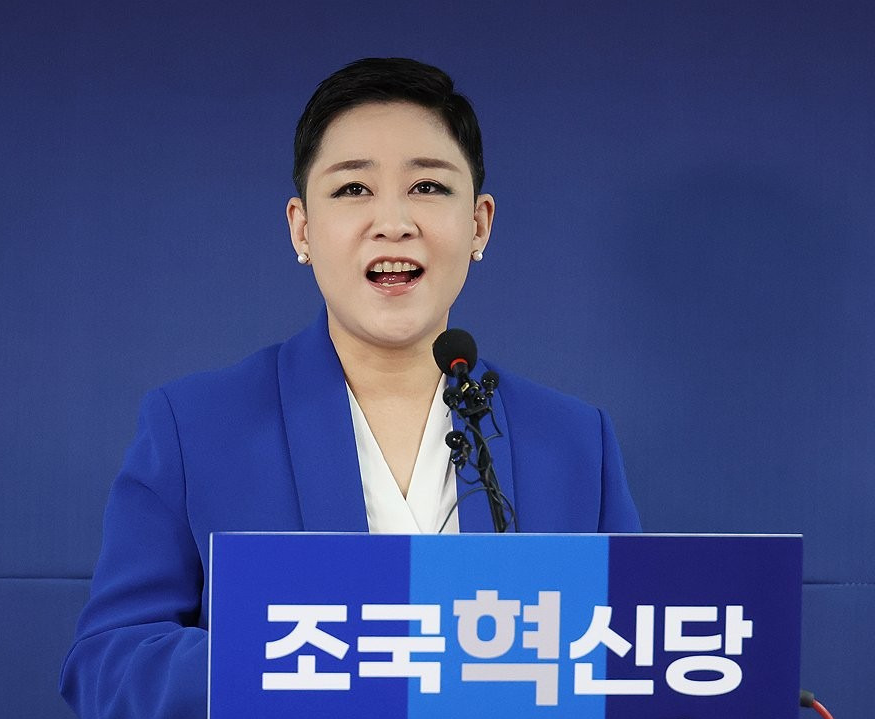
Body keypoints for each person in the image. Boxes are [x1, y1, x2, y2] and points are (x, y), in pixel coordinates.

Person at [59, 57, 640, 718]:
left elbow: (629, 657)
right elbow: (108, 665)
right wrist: (319, 657)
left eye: (427, 186)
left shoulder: (573, 440)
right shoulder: (194, 426)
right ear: (302, 228)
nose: (392, 222)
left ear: (479, 224)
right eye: (353, 189)